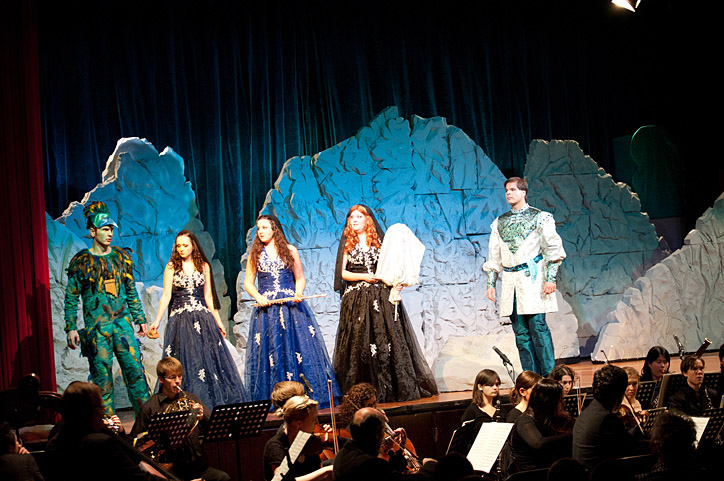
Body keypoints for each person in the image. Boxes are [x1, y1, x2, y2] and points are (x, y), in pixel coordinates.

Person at [333, 205, 438, 402]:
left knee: (386, 337)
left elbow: (392, 265)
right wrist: (365, 277)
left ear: (368, 219)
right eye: (351, 217)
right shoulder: (348, 243)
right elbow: (343, 273)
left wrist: (395, 281)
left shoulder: (379, 242)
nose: (354, 220)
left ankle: (391, 386)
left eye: (359, 216)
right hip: (357, 297)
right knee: (360, 340)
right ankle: (363, 389)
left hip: (380, 295)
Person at [63, 201, 150, 416]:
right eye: (104, 229)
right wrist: (71, 327)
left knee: (136, 373)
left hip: (122, 325)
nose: (109, 233)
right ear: (92, 231)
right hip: (97, 329)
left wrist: (140, 318)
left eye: (111, 229)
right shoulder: (82, 261)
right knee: (102, 381)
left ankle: (146, 423)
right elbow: (71, 296)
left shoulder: (121, 257)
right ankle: (106, 426)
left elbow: (130, 290)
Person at [245, 215, 340, 408]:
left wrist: (298, 292)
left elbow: (300, 277)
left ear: (274, 229)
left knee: (298, 347)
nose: (260, 231)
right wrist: (258, 297)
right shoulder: (255, 254)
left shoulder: (290, 250)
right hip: (267, 310)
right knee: (271, 350)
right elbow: (248, 282)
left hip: (291, 308)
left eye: (264, 227)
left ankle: (303, 395)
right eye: (258, 228)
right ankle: (276, 398)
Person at [148, 230, 246, 409]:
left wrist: (218, 321)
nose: (181, 249)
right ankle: (183, 405)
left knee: (208, 361)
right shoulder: (172, 267)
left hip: (203, 319)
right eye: (178, 246)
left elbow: (208, 297)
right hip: (181, 320)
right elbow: (166, 295)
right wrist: (157, 321)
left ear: (193, 246)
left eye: (185, 245)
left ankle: (211, 405)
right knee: (185, 360)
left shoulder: (204, 266)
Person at [484, 178, 566, 376]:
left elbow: (552, 249)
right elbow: (494, 256)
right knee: (521, 334)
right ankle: (530, 377)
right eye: (506, 190)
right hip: (511, 281)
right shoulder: (499, 223)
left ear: (524, 192)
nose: (508, 193)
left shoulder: (540, 217)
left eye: (513, 189)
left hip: (533, 280)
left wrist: (550, 278)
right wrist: (491, 283)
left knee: (538, 328)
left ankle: (548, 376)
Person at [130, 356, 230, 481]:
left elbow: (213, 428)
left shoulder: (192, 399)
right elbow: (135, 442)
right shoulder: (150, 408)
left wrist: (202, 417)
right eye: (172, 377)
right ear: (161, 379)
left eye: (180, 376)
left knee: (223, 478)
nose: (177, 381)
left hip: (196, 467)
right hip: (169, 471)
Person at [46, 382, 163, 481]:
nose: (103, 413)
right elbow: (137, 477)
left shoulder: (54, 440)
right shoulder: (102, 443)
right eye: (101, 408)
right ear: (86, 412)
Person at [572, 365, 646, 470]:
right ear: (618, 394)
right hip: (598, 475)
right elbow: (629, 447)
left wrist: (638, 428)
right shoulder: (607, 420)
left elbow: (623, 439)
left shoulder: (588, 411)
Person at [332, 407, 436, 481]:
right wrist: (430, 464)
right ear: (377, 434)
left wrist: (398, 451)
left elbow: (391, 472)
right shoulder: (370, 464)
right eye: (383, 431)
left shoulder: (343, 454)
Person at [263, 395, 334, 481]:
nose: (317, 423)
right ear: (299, 424)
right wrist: (326, 471)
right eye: (313, 420)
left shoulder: (309, 441)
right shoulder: (275, 446)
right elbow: (283, 480)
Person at [511, 379, 573, 472]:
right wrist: (573, 435)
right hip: (534, 474)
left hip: (551, 471)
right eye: (560, 400)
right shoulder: (525, 420)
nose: (563, 403)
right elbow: (539, 443)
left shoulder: (550, 419)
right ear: (548, 402)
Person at [634, 413, 700, 481]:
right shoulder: (699, 476)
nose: (650, 441)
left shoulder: (643, 480)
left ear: (658, 446)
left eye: (651, 437)